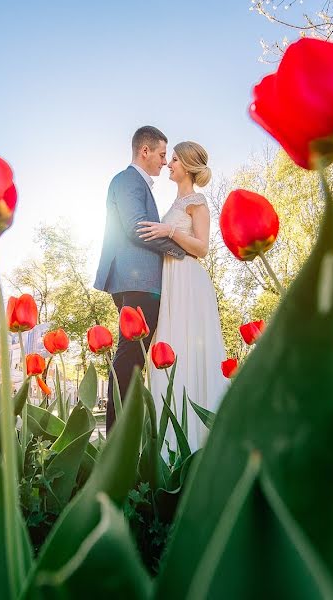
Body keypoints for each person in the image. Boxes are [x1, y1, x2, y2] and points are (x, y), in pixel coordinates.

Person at [137, 141, 227, 453]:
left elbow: (202, 247)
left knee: (189, 349)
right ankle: (170, 443)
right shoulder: (174, 203)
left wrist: (169, 232)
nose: (169, 164)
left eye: (174, 159)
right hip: (170, 282)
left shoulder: (196, 202)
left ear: (187, 166)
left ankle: (201, 440)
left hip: (189, 280)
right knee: (170, 346)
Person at [94, 126, 185, 432]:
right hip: (138, 280)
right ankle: (116, 435)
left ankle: (126, 433)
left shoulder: (135, 183)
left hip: (139, 280)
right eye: (161, 154)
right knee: (129, 356)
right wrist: (180, 250)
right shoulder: (129, 180)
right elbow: (137, 227)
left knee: (133, 357)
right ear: (144, 151)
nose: (164, 161)